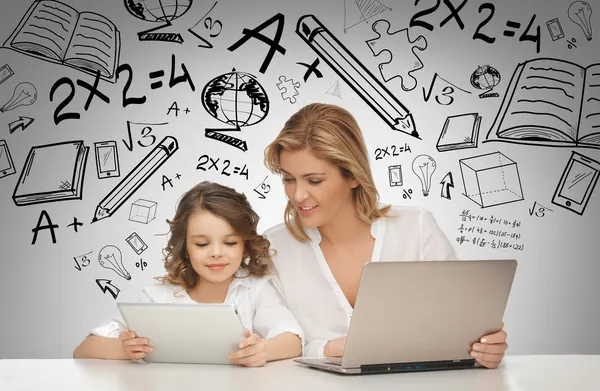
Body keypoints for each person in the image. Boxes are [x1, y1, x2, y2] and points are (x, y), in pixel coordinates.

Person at [262, 103, 508, 369]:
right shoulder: (275, 247)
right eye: (288, 179)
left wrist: (484, 348)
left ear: (353, 176)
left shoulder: (417, 228)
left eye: (314, 181)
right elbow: (274, 341)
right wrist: (328, 349)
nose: (297, 195)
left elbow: (461, 326)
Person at [73, 181, 303, 367]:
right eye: (202, 244)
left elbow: (293, 340)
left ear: (245, 243)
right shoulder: (159, 298)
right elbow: (83, 349)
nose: (216, 253)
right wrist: (123, 349)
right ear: (185, 247)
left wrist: (263, 350)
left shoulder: (257, 289)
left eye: (230, 242)